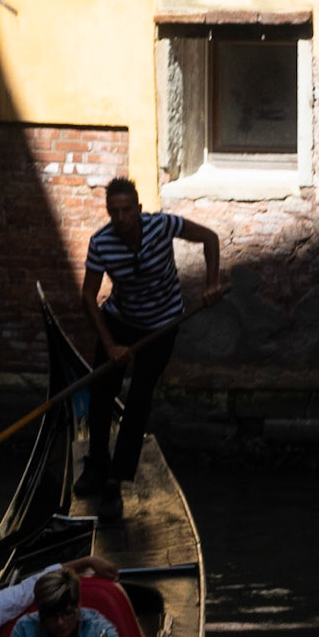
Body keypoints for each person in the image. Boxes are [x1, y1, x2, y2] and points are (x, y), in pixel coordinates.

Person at [78, 176, 221, 496]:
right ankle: (97, 465)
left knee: (140, 397)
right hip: (120, 320)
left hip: (162, 325)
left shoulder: (162, 226)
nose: (120, 219)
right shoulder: (101, 243)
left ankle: (118, 476)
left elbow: (209, 238)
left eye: (127, 211)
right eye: (113, 212)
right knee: (101, 394)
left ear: (139, 209)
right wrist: (111, 345)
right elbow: (89, 297)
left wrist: (211, 284)